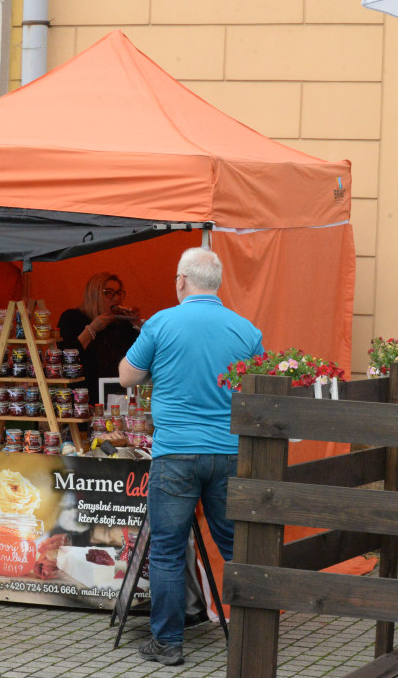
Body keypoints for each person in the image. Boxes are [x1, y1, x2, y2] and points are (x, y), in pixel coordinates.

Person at [118, 247, 263, 666]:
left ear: (182, 280)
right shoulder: (246, 330)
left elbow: (127, 376)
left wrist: (157, 368)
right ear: (217, 283)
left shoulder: (161, 322)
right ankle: (251, 638)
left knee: (167, 549)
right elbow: (260, 385)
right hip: (230, 452)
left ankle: (168, 643)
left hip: (176, 453)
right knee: (237, 547)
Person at [57, 272, 141, 406]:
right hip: (84, 397)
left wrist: (137, 325)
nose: (116, 298)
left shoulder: (121, 323)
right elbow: (66, 356)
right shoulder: (72, 317)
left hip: (117, 396)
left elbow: (142, 354)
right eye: (109, 293)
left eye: (118, 293)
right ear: (94, 295)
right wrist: (92, 329)